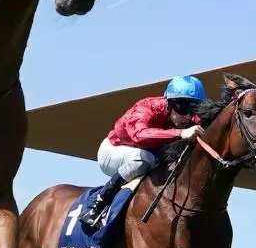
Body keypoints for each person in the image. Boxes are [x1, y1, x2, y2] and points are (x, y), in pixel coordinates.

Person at [78, 75, 208, 231]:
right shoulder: (146, 107)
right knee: (145, 159)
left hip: (146, 155)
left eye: (193, 109)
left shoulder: (188, 119)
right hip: (112, 152)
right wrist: (179, 133)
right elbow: (139, 135)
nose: (187, 116)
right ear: (169, 103)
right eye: (182, 108)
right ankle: (97, 203)